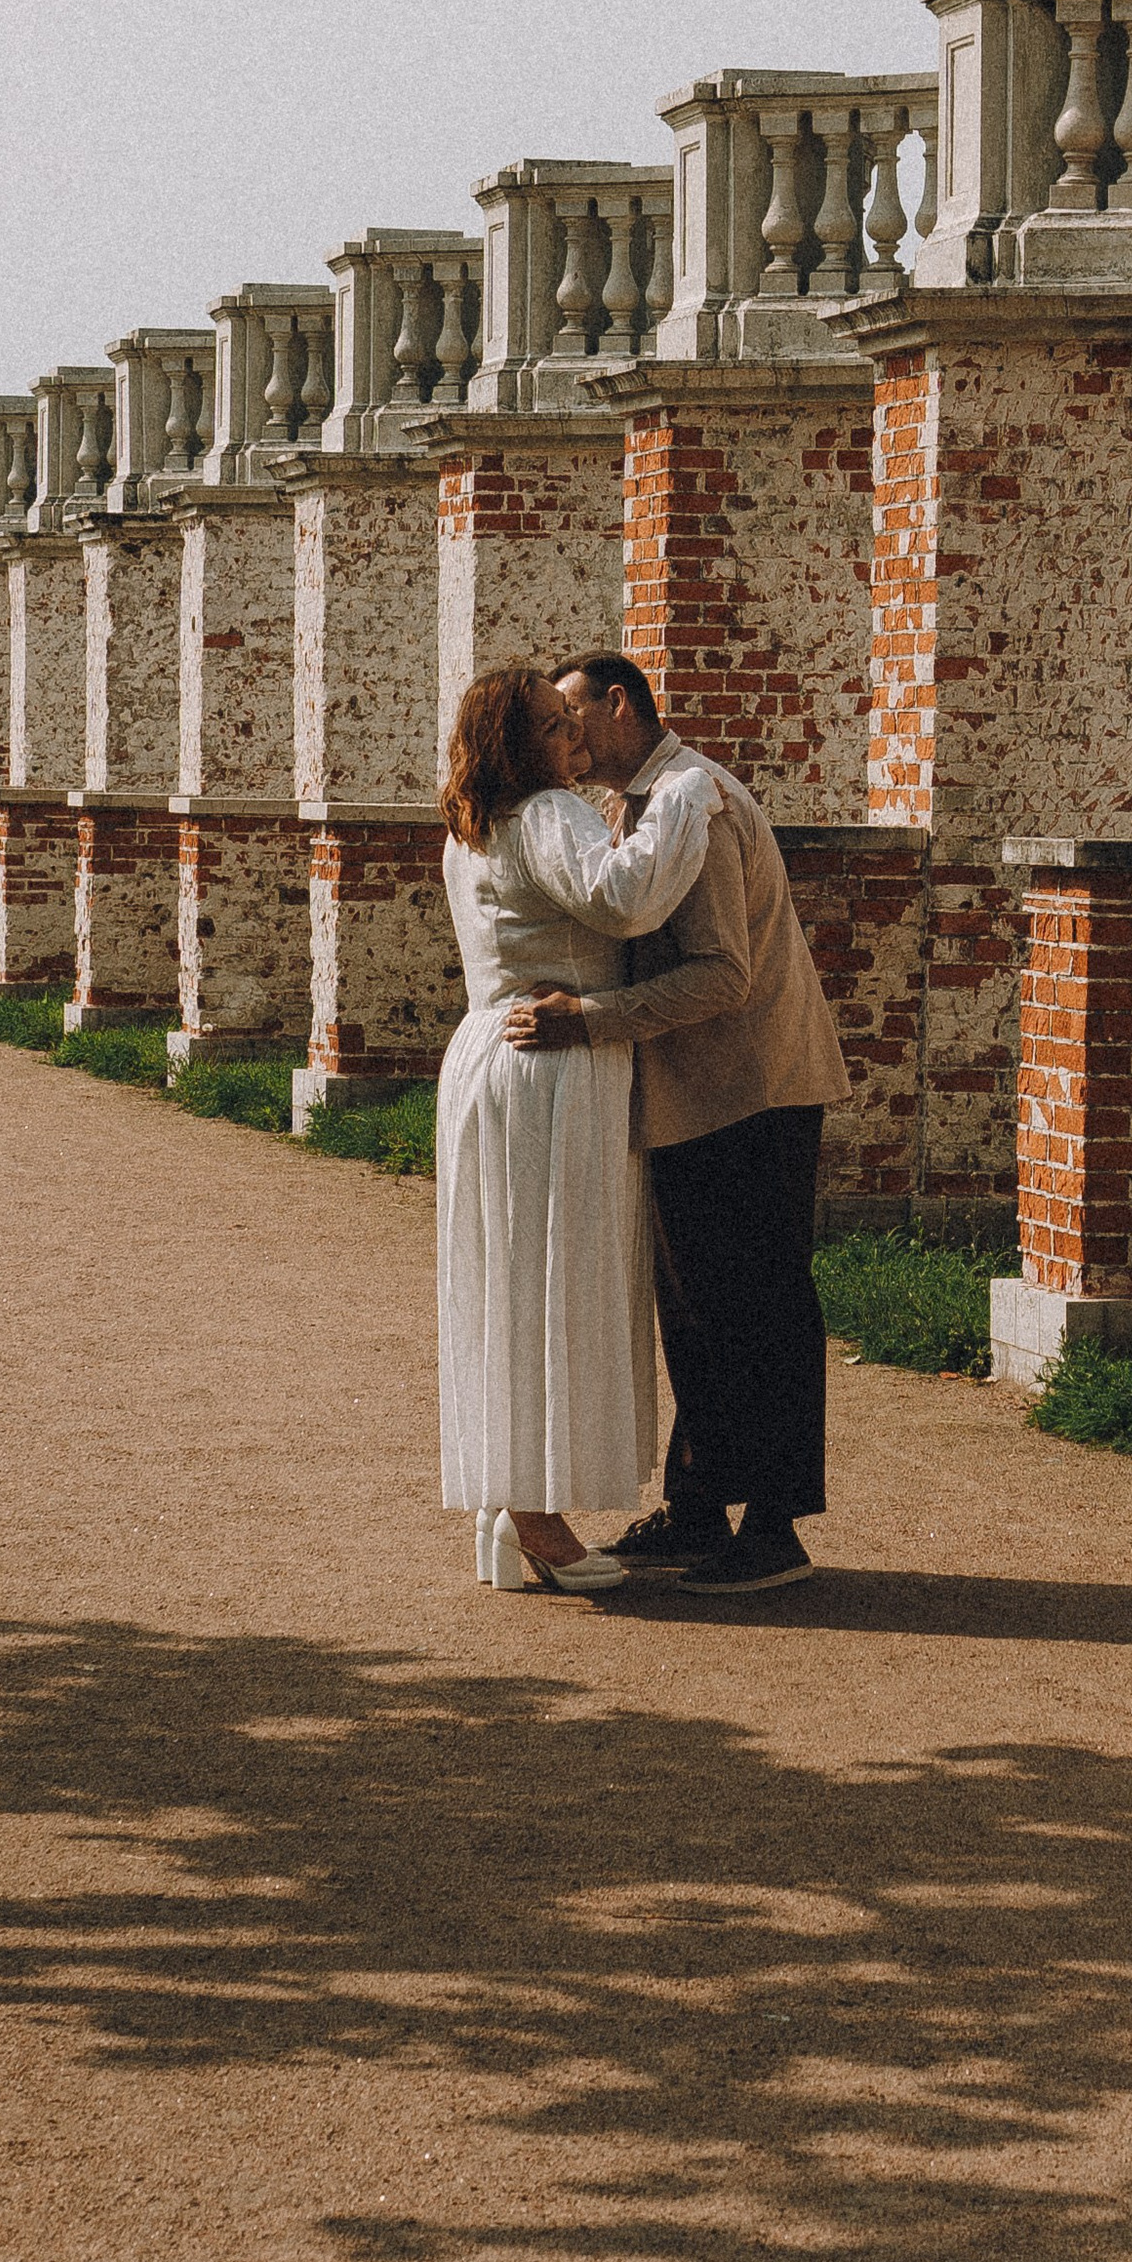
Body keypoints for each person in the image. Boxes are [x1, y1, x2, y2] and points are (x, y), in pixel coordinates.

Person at [502, 654, 847, 1594]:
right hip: (692, 1094)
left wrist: (589, 1020)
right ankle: (698, 1507)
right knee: (694, 1310)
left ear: (622, 706)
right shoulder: (634, 806)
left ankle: (774, 1528)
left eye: (573, 717)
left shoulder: (699, 802)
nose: (565, 740)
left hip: (753, 1088)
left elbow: (721, 975)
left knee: (760, 1309)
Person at [434, 661, 721, 1592]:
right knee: (554, 1283)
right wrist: (684, 800)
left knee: (509, 1281)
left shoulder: (471, 828)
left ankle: (507, 1504)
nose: (576, 738)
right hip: (552, 1066)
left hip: (488, 1055)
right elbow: (625, 899)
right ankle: (535, 1520)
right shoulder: (547, 814)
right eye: (558, 725)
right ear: (525, 744)